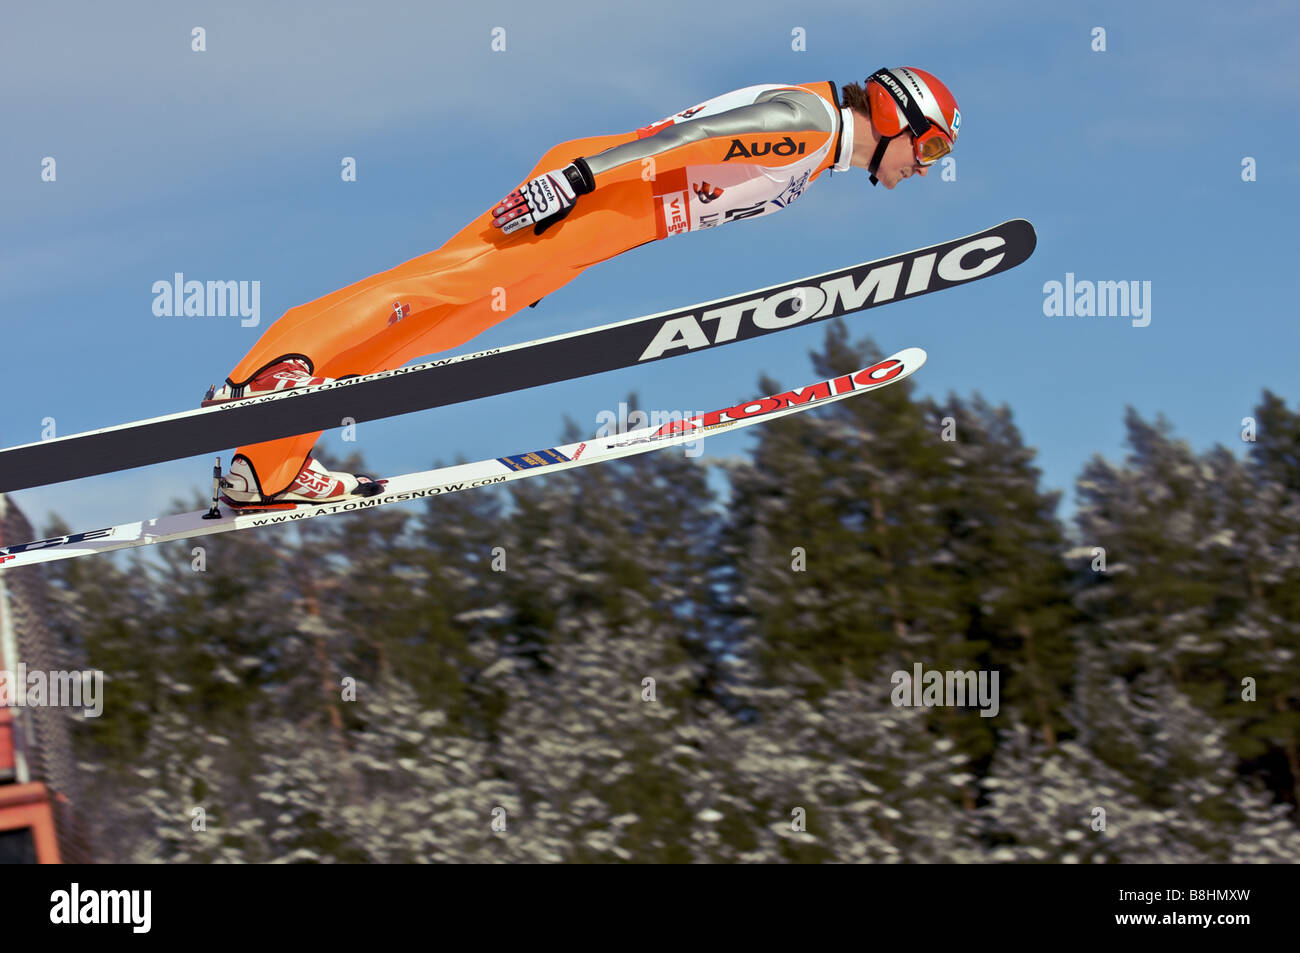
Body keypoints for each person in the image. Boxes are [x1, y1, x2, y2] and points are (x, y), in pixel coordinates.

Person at [208, 67, 960, 509]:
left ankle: (263, 468)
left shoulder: (818, 141)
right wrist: (574, 182)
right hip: (595, 193)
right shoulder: (806, 121)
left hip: (610, 222)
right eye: (926, 147)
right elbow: (683, 142)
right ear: (894, 114)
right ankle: (271, 369)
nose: (921, 166)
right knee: (444, 282)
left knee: (437, 328)